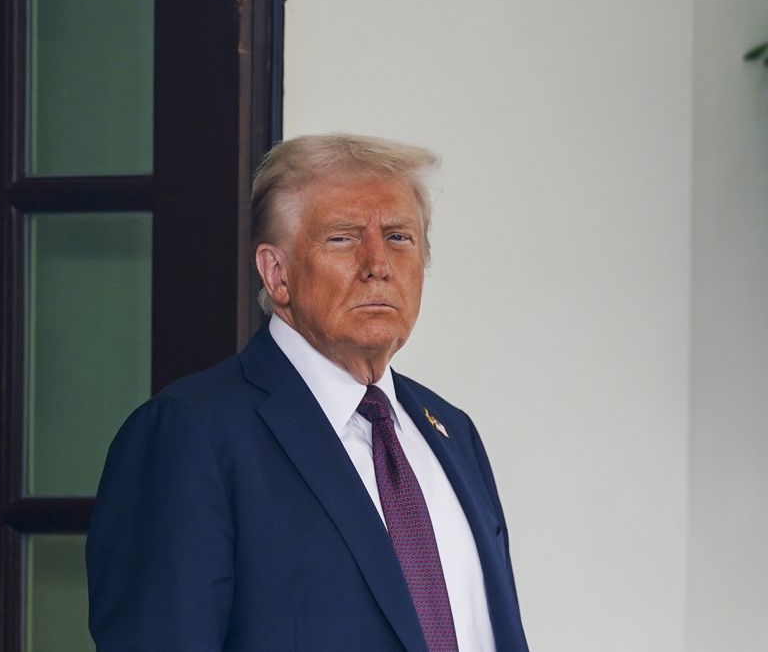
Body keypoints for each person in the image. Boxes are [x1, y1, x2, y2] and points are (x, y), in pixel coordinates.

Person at [86, 134, 529, 652]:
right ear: (276, 273)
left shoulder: (452, 433)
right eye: (342, 238)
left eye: (398, 238)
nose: (377, 264)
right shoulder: (191, 434)